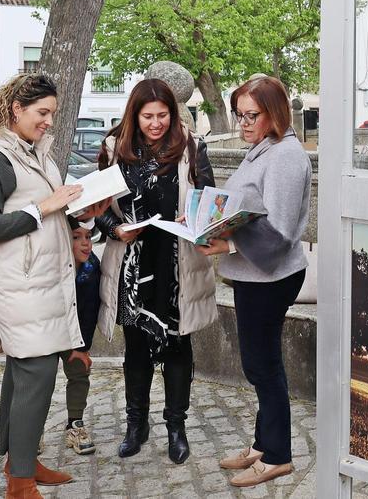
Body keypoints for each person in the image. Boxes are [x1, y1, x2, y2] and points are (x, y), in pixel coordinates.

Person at [0, 73, 109, 499]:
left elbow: (48, 215)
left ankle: (20, 461)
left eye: (52, 115)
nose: (48, 122)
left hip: (42, 281)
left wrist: (81, 212)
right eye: (42, 113)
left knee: (22, 375)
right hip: (20, 284)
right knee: (36, 375)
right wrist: (45, 206)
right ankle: (19, 483)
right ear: (15, 109)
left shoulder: (35, 153)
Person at [95, 78, 217, 464]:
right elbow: (94, 210)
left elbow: (209, 200)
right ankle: (136, 424)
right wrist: (115, 229)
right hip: (133, 266)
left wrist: (194, 215)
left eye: (163, 115)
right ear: (134, 114)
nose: (156, 123)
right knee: (136, 349)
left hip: (177, 263)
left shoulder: (191, 146)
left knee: (178, 346)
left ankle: (176, 427)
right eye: (148, 116)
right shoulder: (114, 149)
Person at [198, 76, 310, 488]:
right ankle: (264, 443)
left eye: (251, 115)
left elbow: (279, 233)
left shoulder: (284, 156)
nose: (243, 123)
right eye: (239, 114)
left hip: (271, 276)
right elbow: (245, 210)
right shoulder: (261, 149)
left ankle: (279, 455)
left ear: (274, 113)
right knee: (259, 364)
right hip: (252, 274)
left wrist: (226, 245)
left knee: (263, 366)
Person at [61, 216, 101, 455]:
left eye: (88, 237)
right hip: (49, 328)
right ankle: (31, 432)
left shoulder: (91, 268)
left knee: (79, 371)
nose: (85, 244)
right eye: (77, 238)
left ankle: (75, 423)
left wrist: (82, 347)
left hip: (76, 331)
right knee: (39, 380)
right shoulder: (51, 267)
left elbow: (89, 311)